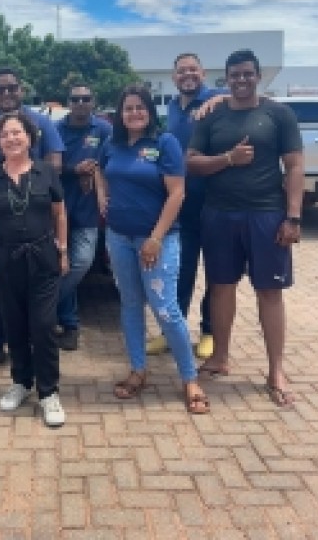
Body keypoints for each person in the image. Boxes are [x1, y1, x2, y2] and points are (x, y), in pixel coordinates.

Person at [187, 49, 303, 407]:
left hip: (267, 215)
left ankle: (276, 370)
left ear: (258, 76)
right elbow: (192, 162)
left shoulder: (279, 115)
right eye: (235, 75)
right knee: (221, 287)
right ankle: (220, 356)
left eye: (247, 74)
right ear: (226, 78)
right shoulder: (211, 116)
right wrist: (228, 159)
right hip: (219, 214)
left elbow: (295, 166)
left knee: (270, 291)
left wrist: (293, 217)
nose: (241, 80)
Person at [96, 84, 209, 414]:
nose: (134, 113)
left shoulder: (164, 143)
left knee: (165, 308)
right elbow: (101, 169)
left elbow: (177, 193)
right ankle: (137, 370)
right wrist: (102, 195)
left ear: (150, 111)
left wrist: (155, 238)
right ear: (120, 114)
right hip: (119, 237)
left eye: (140, 107)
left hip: (158, 239)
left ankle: (189, 378)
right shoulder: (112, 143)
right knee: (131, 305)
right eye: (128, 108)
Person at [0, 111, 68, 427]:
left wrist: (63, 250)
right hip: (4, 261)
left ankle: (49, 392)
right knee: (14, 325)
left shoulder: (46, 172)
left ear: (29, 137)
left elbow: (59, 213)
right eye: (5, 135)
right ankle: (22, 382)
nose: (11, 138)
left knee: (43, 325)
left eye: (17, 133)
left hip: (43, 259)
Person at [0, 67, 64, 376]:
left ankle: (46, 352)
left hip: (37, 220)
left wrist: (32, 192)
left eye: (12, 88)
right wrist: (1, 197)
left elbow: (55, 164)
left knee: (42, 304)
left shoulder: (42, 122)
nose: (7, 94)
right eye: (1, 89)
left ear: (21, 89)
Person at [147, 53, 217, 359]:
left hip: (214, 200)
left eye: (193, 70)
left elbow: (252, 96)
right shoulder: (173, 107)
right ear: (174, 77)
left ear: (203, 73)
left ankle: (210, 331)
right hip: (182, 203)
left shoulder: (216, 97)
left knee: (215, 271)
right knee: (180, 270)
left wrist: (222, 97)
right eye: (181, 71)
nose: (188, 75)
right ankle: (171, 332)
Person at [55, 83, 112, 350]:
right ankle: (70, 324)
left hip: (88, 213)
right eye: (75, 99)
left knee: (81, 262)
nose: (80, 103)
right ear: (68, 102)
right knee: (61, 266)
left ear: (93, 101)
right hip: (57, 211)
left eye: (85, 98)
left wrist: (95, 170)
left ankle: (43, 305)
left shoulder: (104, 130)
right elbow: (47, 165)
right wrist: (73, 170)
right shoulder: (56, 130)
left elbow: (115, 158)